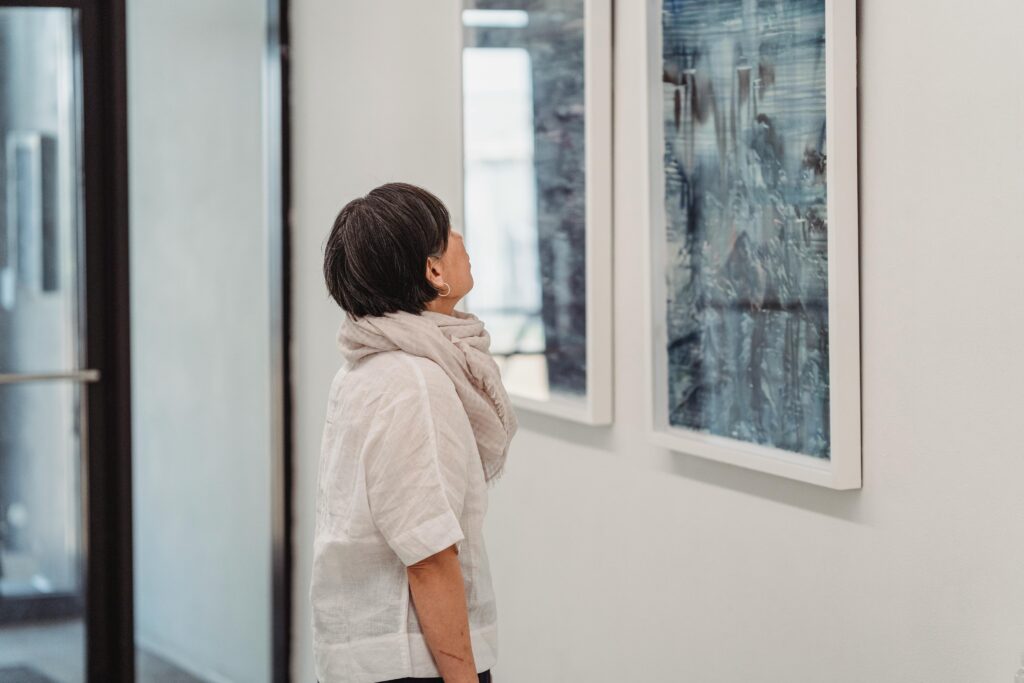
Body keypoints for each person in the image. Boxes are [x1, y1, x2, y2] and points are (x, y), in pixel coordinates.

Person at [310, 182, 518, 683]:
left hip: (376, 657)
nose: (460, 238)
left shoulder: (369, 366)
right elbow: (428, 555)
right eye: (448, 232)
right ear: (433, 273)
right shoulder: (415, 381)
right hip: (413, 663)